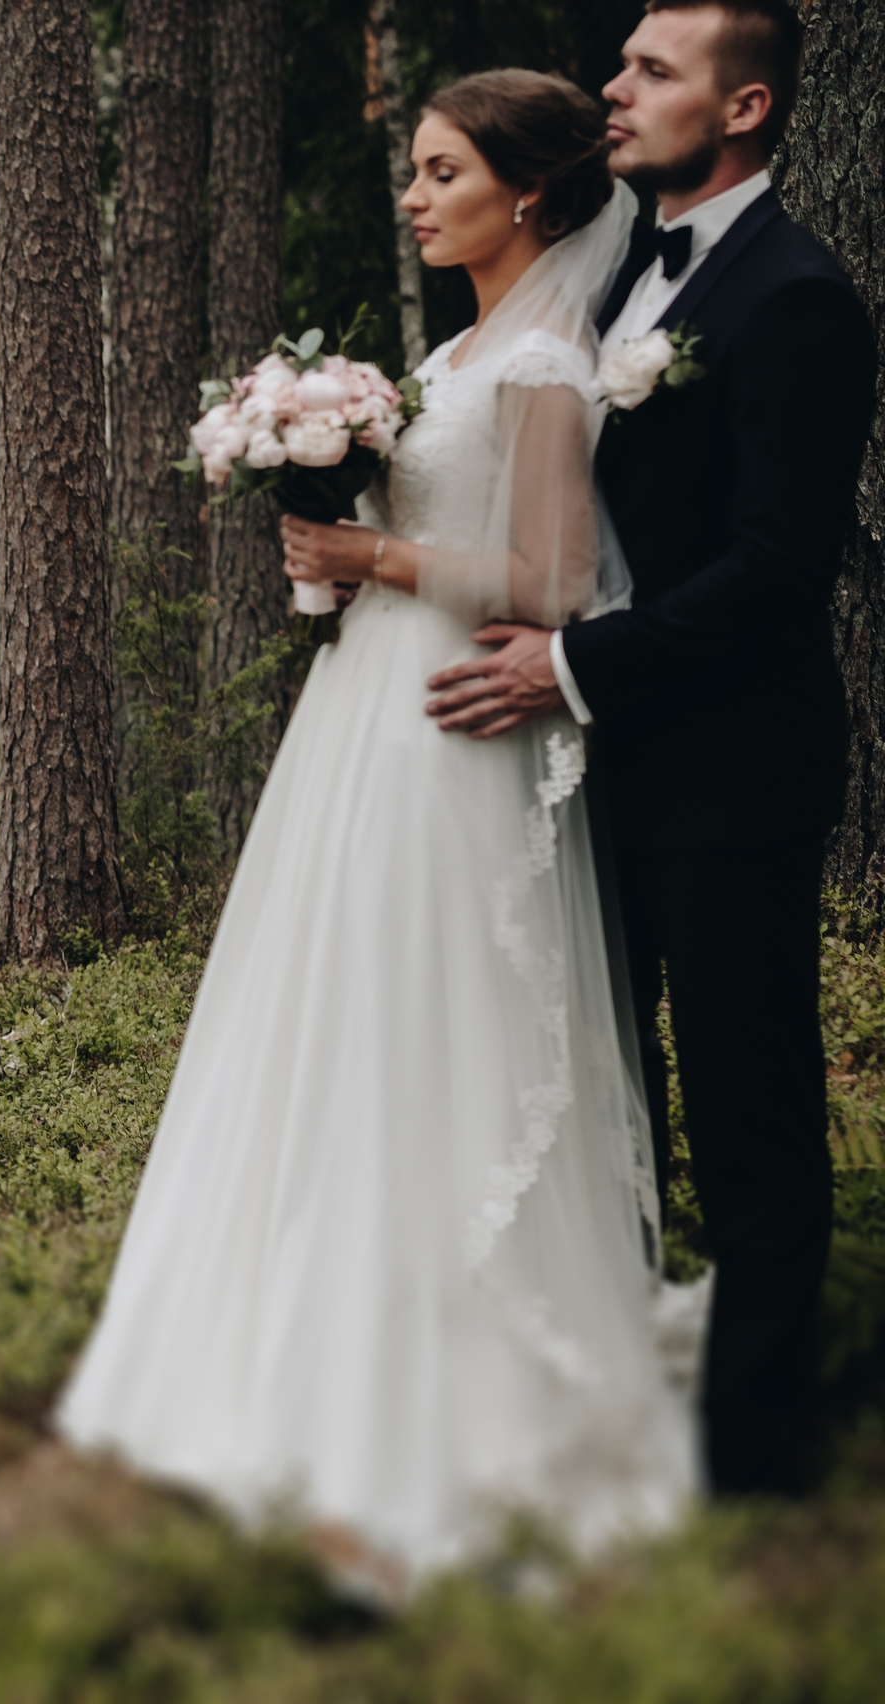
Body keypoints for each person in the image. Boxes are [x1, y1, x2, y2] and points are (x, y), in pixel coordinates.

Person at [57, 70, 697, 1602]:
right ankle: (312, 1349)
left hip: (460, 723)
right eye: (412, 171)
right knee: (344, 1021)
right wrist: (341, 546)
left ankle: (458, 1388)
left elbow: (553, 581)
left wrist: (380, 550)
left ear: (527, 195)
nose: (412, 196)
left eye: (439, 170)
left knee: (439, 1024)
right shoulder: (458, 346)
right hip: (368, 712)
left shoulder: (542, 355)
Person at [413, 0, 870, 1499]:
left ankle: (751, 1451)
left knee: (747, 1112)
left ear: (741, 111)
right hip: (588, 775)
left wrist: (571, 663)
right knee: (600, 1094)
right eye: (618, 64)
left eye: (653, 71)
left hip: (731, 767)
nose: (614, 89)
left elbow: (776, 564)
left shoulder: (798, 298)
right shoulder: (601, 284)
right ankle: (621, 1397)